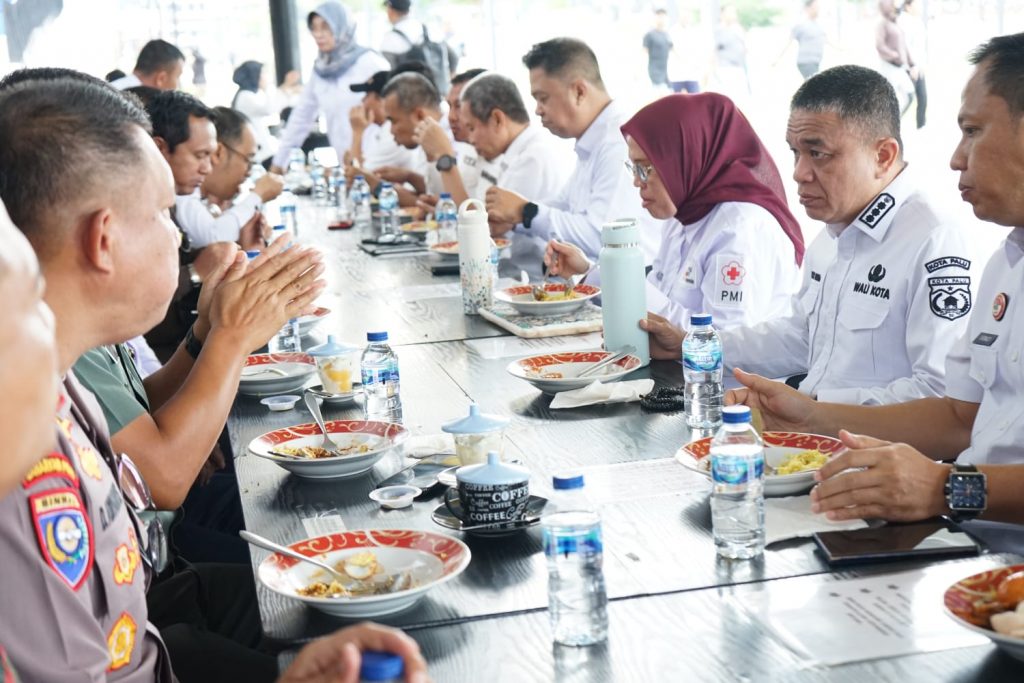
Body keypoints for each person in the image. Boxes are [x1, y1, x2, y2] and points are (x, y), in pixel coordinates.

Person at [0, 191, 430, 682]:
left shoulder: (59, 393)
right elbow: (161, 478)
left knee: (357, 597)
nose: (179, 235)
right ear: (103, 237)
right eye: (161, 213)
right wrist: (232, 335)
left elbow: (142, 416)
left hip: (153, 601)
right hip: (158, 595)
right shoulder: (37, 451)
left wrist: (209, 332)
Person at [726, 33, 1024, 527]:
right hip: (963, 528)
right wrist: (810, 416)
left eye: (973, 130)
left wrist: (946, 488)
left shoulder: (934, 236)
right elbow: (959, 417)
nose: (956, 157)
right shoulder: (1006, 262)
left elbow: (939, 411)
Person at [642, 66, 980, 404]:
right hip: (809, 427)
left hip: (852, 434)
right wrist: (691, 346)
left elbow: (937, 394)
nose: (799, 173)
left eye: (818, 154)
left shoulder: (933, 240)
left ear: (882, 156)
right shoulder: (832, 237)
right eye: (795, 152)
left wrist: (816, 410)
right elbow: (801, 338)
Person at [549, 92, 803, 332]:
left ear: (685, 159)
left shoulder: (739, 228)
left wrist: (620, 281)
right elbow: (661, 293)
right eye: (633, 168)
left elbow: (723, 341)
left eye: (645, 168)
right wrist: (595, 271)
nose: (636, 182)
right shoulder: (683, 217)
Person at [485, 37, 659, 264]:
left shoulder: (617, 143)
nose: (538, 110)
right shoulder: (593, 141)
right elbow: (564, 206)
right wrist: (514, 219)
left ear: (579, 92)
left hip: (631, 282)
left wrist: (525, 212)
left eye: (543, 98)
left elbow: (604, 236)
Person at [460, 72, 571, 278]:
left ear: (497, 119)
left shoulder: (532, 158)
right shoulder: (516, 152)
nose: (470, 139)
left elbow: (491, 227)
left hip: (535, 277)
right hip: (521, 271)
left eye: (472, 128)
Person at [270, 1, 389, 174]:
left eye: (326, 27)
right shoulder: (320, 71)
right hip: (346, 165)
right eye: (314, 28)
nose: (318, 34)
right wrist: (279, 164)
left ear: (341, 26)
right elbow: (301, 118)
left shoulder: (370, 63)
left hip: (379, 163)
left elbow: (392, 114)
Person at [177, 107, 285, 250]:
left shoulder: (203, 199)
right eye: (248, 160)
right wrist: (257, 196)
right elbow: (214, 239)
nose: (248, 172)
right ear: (219, 153)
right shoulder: (182, 191)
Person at [344, 71, 445, 208]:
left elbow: (450, 209)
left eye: (393, 121)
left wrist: (377, 187)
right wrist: (409, 177)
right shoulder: (427, 140)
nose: (391, 130)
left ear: (419, 115)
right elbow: (435, 195)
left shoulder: (448, 141)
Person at [413, 67, 488, 208]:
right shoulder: (465, 146)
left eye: (459, 106)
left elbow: (474, 216)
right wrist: (432, 157)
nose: (451, 117)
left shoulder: (501, 153)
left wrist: (444, 157)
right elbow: (444, 195)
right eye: (449, 106)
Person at [347, 67, 418, 172]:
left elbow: (357, 176)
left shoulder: (392, 134)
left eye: (367, 95)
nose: (362, 100)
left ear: (381, 100)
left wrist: (357, 132)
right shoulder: (385, 130)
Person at [231, 61, 302, 164]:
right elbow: (269, 109)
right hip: (258, 155)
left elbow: (281, 103)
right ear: (255, 76)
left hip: (261, 152)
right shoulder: (245, 96)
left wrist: (292, 91)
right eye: (263, 73)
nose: (266, 77)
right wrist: (285, 87)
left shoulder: (252, 95)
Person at [876, 0, 917, 115]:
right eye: (892, 5)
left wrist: (912, 64)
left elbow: (904, 45)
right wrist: (895, 55)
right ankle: (888, 122)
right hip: (889, 66)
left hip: (900, 67)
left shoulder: (896, 22)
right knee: (890, 99)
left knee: (909, 95)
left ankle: (896, 120)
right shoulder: (882, 24)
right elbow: (879, 46)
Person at [775, 0, 826, 80]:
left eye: (818, 7)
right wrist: (777, 59)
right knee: (816, 84)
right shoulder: (801, 25)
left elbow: (827, 40)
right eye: (815, 7)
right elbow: (788, 42)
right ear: (807, 9)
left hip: (816, 62)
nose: (817, 9)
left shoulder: (818, 26)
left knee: (815, 84)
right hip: (806, 62)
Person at [110, 38, 186, 91]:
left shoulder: (112, 90)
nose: (177, 86)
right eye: (177, 77)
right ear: (161, 78)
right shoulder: (133, 102)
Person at [900, 0, 928, 129]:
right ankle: (889, 127)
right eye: (916, 3)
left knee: (922, 99)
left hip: (918, 68)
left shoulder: (916, 21)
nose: (919, 6)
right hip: (909, 69)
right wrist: (912, 66)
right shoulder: (903, 21)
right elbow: (905, 47)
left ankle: (921, 128)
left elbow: (920, 47)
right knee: (907, 100)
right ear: (908, 6)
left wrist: (921, 65)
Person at [643, 9, 673, 90]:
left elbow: (673, 50)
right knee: (661, 93)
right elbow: (644, 53)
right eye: (659, 16)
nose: (662, 19)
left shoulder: (667, 35)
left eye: (663, 17)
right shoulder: (650, 34)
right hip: (655, 72)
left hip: (666, 73)